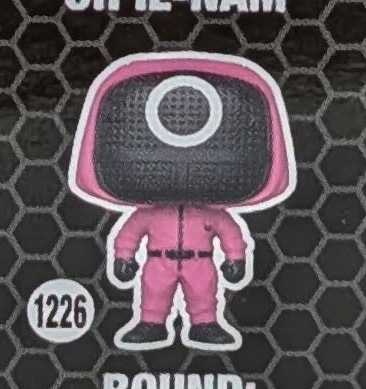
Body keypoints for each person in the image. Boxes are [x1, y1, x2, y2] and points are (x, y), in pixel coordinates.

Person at [66, 54, 297, 351]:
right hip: (158, 261)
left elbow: (230, 233)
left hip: (199, 261)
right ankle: (151, 323)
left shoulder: (212, 213)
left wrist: (235, 258)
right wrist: (124, 256)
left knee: (203, 295)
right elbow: (130, 232)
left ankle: (205, 324)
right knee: (153, 293)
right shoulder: (148, 212)